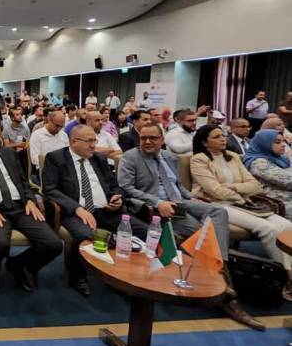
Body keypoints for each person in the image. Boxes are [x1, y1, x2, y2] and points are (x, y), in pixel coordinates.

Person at [117, 124, 264, 330]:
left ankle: (218, 268)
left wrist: (193, 198)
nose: (147, 142)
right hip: (157, 206)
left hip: (181, 202)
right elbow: (126, 188)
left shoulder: (169, 157)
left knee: (218, 212)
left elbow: (178, 186)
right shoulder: (131, 157)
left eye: (153, 138)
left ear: (162, 140)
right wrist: (158, 202)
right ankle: (226, 291)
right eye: (144, 138)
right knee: (205, 234)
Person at [0, 116, 62, 292]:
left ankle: (19, 264)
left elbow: (24, 182)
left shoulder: (8, 153)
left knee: (53, 244)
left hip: (21, 208)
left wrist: (30, 200)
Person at [42, 125, 147, 296]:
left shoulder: (99, 158)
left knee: (145, 231)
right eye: (89, 141)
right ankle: (79, 276)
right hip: (75, 213)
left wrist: (116, 197)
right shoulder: (56, 158)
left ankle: (129, 274)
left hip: (107, 211)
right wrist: (77, 208)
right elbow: (50, 189)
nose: (93, 145)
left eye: (94, 140)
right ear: (74, 141)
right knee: (87, 236)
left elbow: (115, 186)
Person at [191, 125, 292, 300]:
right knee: (268, 229)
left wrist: (233, 188)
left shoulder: (233, 157)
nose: (222, 139)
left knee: (287, 225)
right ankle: (287, 278)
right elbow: (214, 191)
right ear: (204, 142)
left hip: (243, 203)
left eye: (223, 135)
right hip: (217, 205)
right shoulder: (199, 159)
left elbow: (255, 186)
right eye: (216, 137)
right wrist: (239, 194)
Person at [245, 130, 292, 221]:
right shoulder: (258, 162)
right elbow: (288, 180)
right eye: (278, 142)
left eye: (283, 141)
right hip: (276, 201)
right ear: (265, 144)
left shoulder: (283, 158)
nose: (283, 145)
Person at [2, 107, 31, 177]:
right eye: (17, 115)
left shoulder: (25, 128)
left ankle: (27, 177)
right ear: (12, 118)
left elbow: (28, 142)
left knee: (25, 153)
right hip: (12, 152)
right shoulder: (6, 129)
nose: (20, 116)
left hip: (23, 150)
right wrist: (17, 144)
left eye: (20, 114)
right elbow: (6, 145)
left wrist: (24, 146)